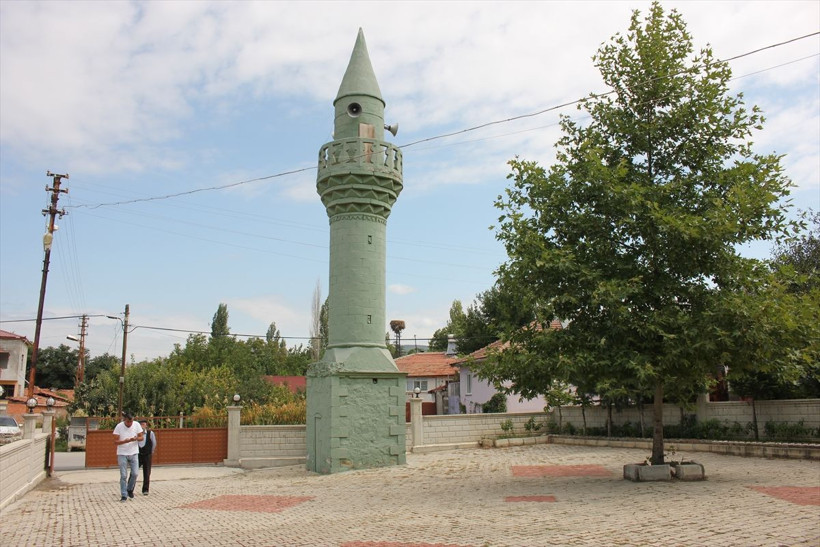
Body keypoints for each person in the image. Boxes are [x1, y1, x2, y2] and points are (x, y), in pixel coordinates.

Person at [112, 411, 143, 502]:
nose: (130, 423)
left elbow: (141, 437)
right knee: (123, 475)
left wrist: (136, 438)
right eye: (128, 422)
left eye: (131, 421)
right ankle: (124, 494)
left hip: (134, 452)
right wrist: (125, 441)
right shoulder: (119, 427)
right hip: (122, 453)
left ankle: (129, 489)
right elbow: (115, 441)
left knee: (135, 473)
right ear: (124, 420)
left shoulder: (136, 425)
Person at [137, 419, 157, 495]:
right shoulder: (136, 433)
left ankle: (145, 489)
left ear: (146, 425)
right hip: (138, 454)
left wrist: (151, 451)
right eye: (141, 424)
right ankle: (130, 489)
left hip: (147, 454)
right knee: (134, 472)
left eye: (143, 424)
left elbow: (154, 443)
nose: (142, 426)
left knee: (147, 472)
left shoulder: (150, 433)